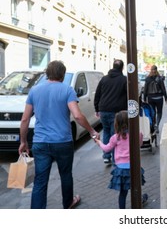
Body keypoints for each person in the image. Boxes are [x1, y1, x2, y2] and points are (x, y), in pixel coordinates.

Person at [18, 60, 100, 209]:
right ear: (62, 75)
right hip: (63, 142)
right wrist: (92, 131)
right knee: (65, 175)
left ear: (47, 74)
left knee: (40, 180)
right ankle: (68, 203)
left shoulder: (34, 91)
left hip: (41, 142)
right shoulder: (67, 90)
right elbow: (78, 116)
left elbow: (24, 119)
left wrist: (23, 141)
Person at [94, 110, 148, 209]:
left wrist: (98, 142)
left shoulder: (115, 137)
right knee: (136, 189)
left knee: (123, 194)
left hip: (121, 170)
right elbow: (139, 145)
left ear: (116, 124)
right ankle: (139, 202)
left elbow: (106, 149)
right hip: (134, 167)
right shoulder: (137, 134)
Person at [94, 59, 127, 164]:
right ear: (122, 68)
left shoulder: (104, 79)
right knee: (115, 134)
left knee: (106, 132)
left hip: (103, 110)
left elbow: (97, 95)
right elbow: (128, 96)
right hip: (116, 112)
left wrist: (97, 109)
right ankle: (114, 158)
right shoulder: (124, 80)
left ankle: (106, 156)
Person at [143, 65, 167, 135]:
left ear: (151, 70)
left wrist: (144, 98)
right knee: (159, 112)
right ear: (156, 70)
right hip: (159, 98)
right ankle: (157, 124)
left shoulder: (147, 79)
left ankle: (154, 125)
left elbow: (145, 90)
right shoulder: (159, 78)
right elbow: (163, 88)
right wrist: (165, 97)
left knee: (152, 113)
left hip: (151, 98)